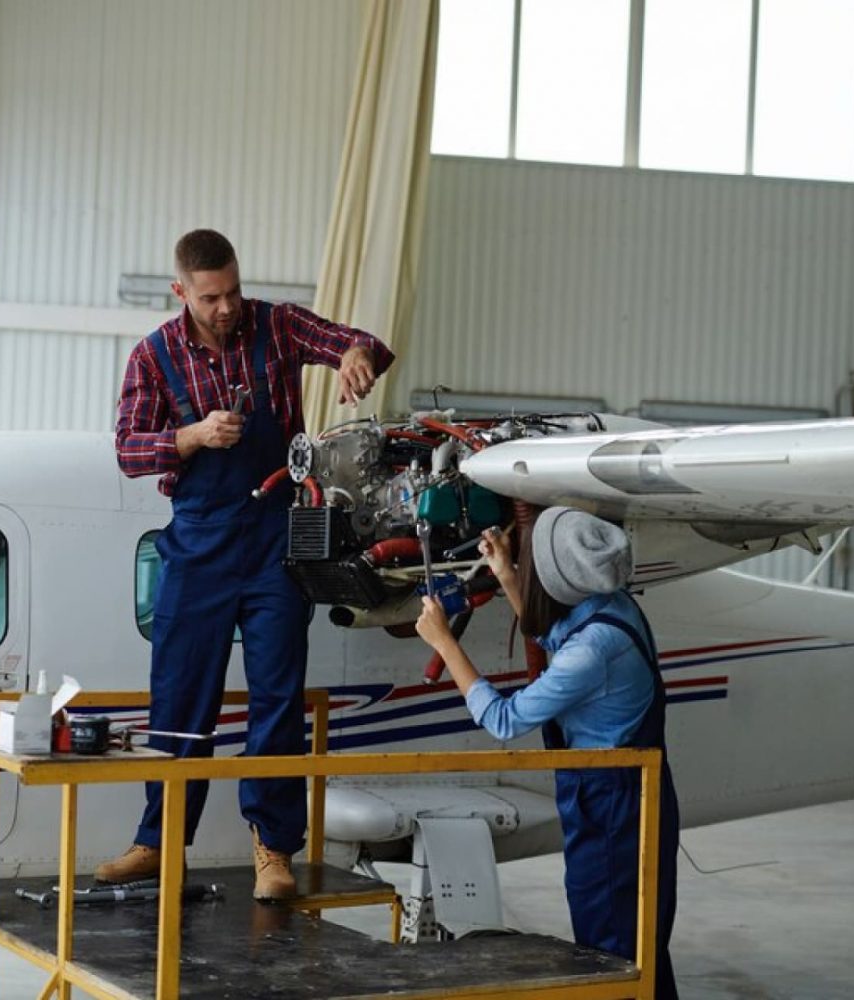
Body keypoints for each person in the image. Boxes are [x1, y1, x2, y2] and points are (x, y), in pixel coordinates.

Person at [99, 228, 394, 900]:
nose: (228, 306)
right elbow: (128, 450)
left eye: (233, 290)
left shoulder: (278, 325)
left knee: (276, 701)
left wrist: (354, 358)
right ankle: (159, 841)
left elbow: (357, 342)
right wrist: (193, 436)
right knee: (178, 699)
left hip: (273, 541)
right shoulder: (154, 356)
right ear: (182, 292)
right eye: (211, 296)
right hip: (197, 543)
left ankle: (273, 852)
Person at [415, 507, 679, 997]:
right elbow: (554, 635)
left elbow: (503, 719)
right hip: (627, 796)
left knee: (613, 952)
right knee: (638, 946)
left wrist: (444, 642)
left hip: (612, 808)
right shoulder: (612, 605)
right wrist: (508, 577)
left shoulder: (594, 650)